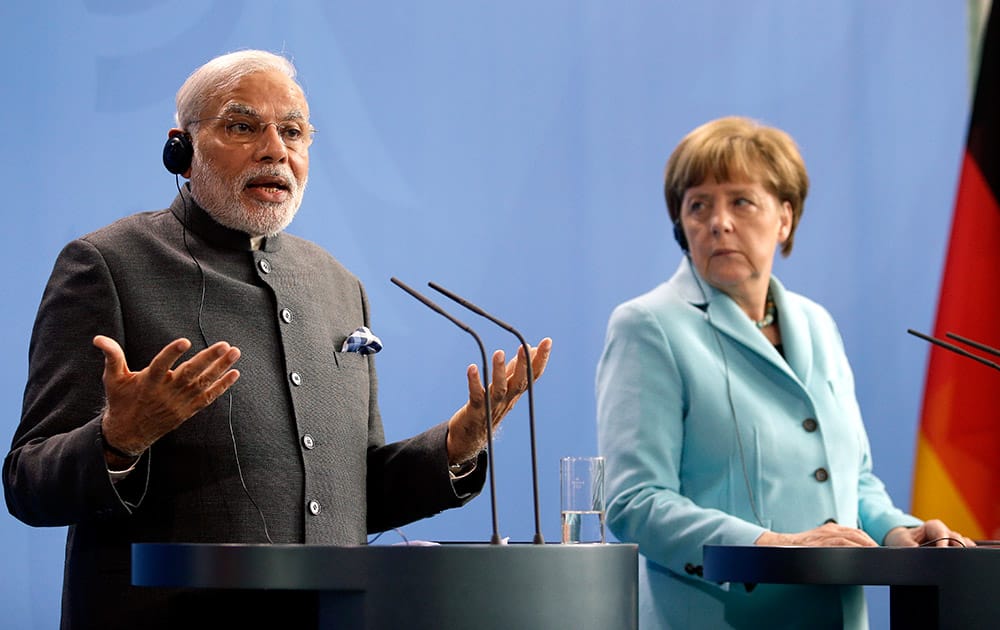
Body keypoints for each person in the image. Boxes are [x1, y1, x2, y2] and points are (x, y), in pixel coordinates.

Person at [3, 50, 552, 629]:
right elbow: (27, 482)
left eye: (293, 132)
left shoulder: (339, 286)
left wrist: (455, 446)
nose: (275, 150)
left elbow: (356, 495)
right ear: (180, 150)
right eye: (243, 126)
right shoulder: (108, 266)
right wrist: (118, 440)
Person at [595, 116, 970, 629]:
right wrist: (772, 546)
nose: (718, 222)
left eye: (741, 202)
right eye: (698, 205)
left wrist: (896, 532)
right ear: (681, 225)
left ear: (785, 218)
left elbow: (852, 480)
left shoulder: (817, 324)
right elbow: (634, 502)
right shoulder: (649, 326)